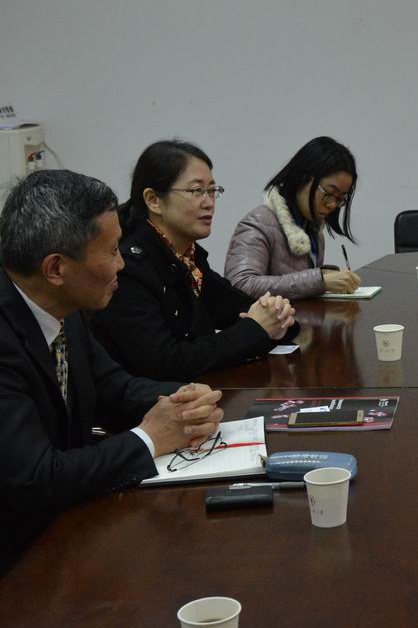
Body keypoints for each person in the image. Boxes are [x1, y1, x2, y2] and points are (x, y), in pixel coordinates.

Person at [0, 170, 224, 570]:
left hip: (67, 527)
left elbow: (113, 388)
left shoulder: (62, 305)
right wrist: (149, 438)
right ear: (56, 269)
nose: (122, 264)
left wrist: (183, 401)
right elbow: (35, 479)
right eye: (112, 251)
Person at [92, 140, 297, 381]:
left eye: (212, 190)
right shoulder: (128, 268)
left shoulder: (188, 258)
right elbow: (166, 362)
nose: (209, 203)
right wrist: (257, 329)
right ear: (153, 200)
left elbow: (238, 308)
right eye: (196, 191)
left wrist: (276, 316)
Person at [224, 136, 361, 299]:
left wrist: (324, 277)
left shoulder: (312, 230)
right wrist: (319, 280)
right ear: (302, 178)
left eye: (340, 199)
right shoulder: (258, 223)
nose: (332, 205)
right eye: (329, 193)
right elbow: (240, 285)